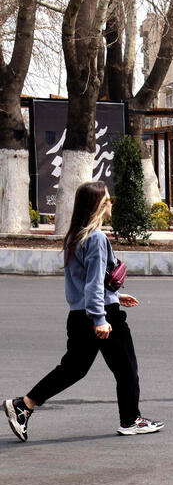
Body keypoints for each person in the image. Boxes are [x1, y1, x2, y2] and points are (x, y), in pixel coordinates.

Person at [4, 181, 163, 441]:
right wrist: (101, 317)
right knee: (126, 368)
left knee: (73, 369)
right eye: (108, 200)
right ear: (100, 205)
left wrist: (116, 295)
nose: (112, 203)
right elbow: (92, 282)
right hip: (102, 317)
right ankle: (131, 419)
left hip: (79, 315)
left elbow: (84, 281)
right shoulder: (97, 238)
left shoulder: (74, 237)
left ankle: (24, 405)